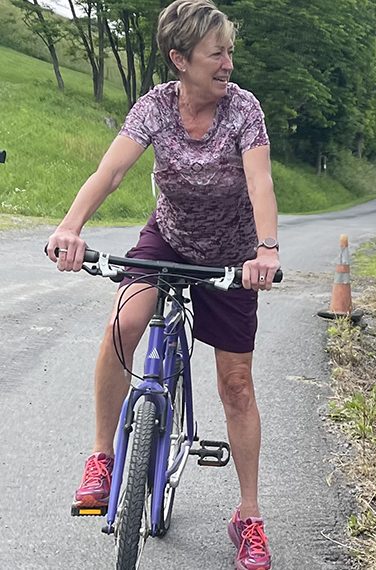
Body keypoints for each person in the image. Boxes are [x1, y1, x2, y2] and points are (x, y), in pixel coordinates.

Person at [45, 1, 278, 568]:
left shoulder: (244, 109)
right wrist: (70, 227)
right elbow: (113, 170)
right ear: (180, 59)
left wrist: (266, 250)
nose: (228, 62)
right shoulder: (154, 107)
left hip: (233, 252)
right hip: (168, 237)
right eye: (215, 52)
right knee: (124, 321)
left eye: (229, 50)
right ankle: (102, 456)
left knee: (237, 385)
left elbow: (260, 179)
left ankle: (248, 516)